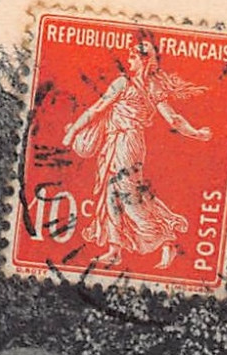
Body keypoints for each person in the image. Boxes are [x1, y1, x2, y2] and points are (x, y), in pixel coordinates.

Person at [62, 40, 211, 269]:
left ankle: (166, 239)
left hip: (127, 143)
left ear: (143, 60)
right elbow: (97, 109)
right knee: (110, 192)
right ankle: (114, 250)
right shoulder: (139, 85)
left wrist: (197, 133)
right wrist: (73, 130)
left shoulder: (134, 85)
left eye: (132, 56)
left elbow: (173, 119)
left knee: (128, 194)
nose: (129, 60)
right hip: (115, 142)